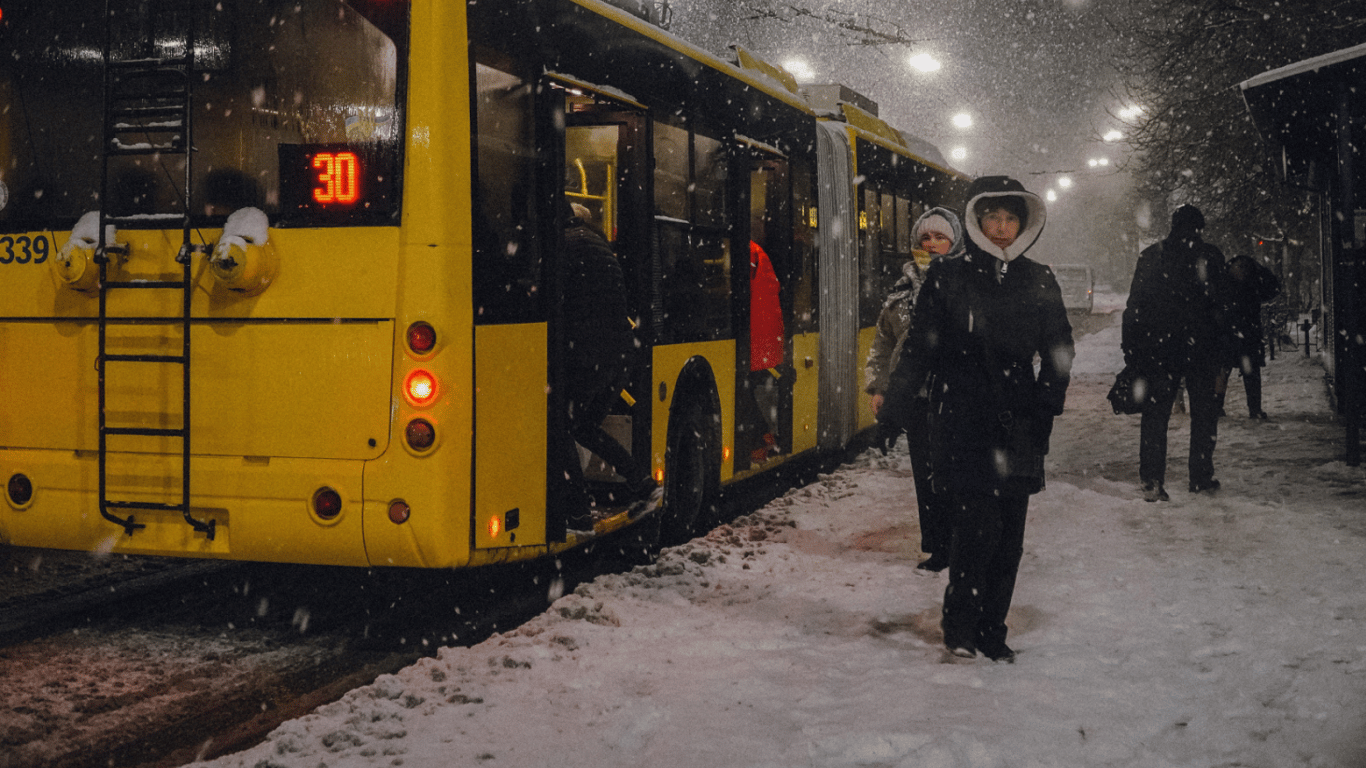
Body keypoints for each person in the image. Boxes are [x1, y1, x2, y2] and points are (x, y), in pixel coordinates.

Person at [882, 176, 1073, 661]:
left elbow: (1058, 350)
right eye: (993, 218)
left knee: (1010, 538)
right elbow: (918, 352)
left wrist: (1045, 408)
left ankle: (993, 628)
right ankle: (962, 628)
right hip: (963, 420)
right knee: (973, 531)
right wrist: (895, 409)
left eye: (1011, 218)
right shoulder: (948, 277)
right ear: (977, 220)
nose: (1003, 228)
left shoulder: (1040, 278)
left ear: (1024, 223)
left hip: (1019, 423)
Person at [864, 207, 965, 572]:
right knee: (926, 474)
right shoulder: (901, 290)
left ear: (954, 242)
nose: (933, 244)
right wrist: (879, 389)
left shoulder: (968, 281)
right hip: (916, 399)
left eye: (940, 237)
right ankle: (938, 547)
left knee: (956, 473)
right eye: (926, 238)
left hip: (957, 397)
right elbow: (883, 344)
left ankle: (962, 546)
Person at [552, 199, 658, 532]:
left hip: (588, 354)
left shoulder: (563, 247)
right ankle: (643, 484)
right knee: (584, 427)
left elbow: (556, 299)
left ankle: (578, 511)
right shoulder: (595, 242)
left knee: (559, 425)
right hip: (618, 354)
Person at [1121, 204, 1230, 502]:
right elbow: (1222, 306)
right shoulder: (1210, 256)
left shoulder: (1152, 256)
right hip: (1202, 348)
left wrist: (1131, 348)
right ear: (1200, 227)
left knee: (1155, 417)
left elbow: (1135, 307)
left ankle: (1153, 480)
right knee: (1204, 416)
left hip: (1160, 349)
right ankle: (1200, 476)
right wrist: (1222, 348)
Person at [1218, 253, 1281, 419]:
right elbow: (1273, 289)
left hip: (1237, 332)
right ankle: (1223, 407)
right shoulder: (1246, 283)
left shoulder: (1244, 282)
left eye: (1245, 267)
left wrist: (1259, 269)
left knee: (1233, 371)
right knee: (1225, 371)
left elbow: (1274, 289)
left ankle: (1252, 409)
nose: (1242, 271)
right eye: (1239, 267)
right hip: (1238, 332)